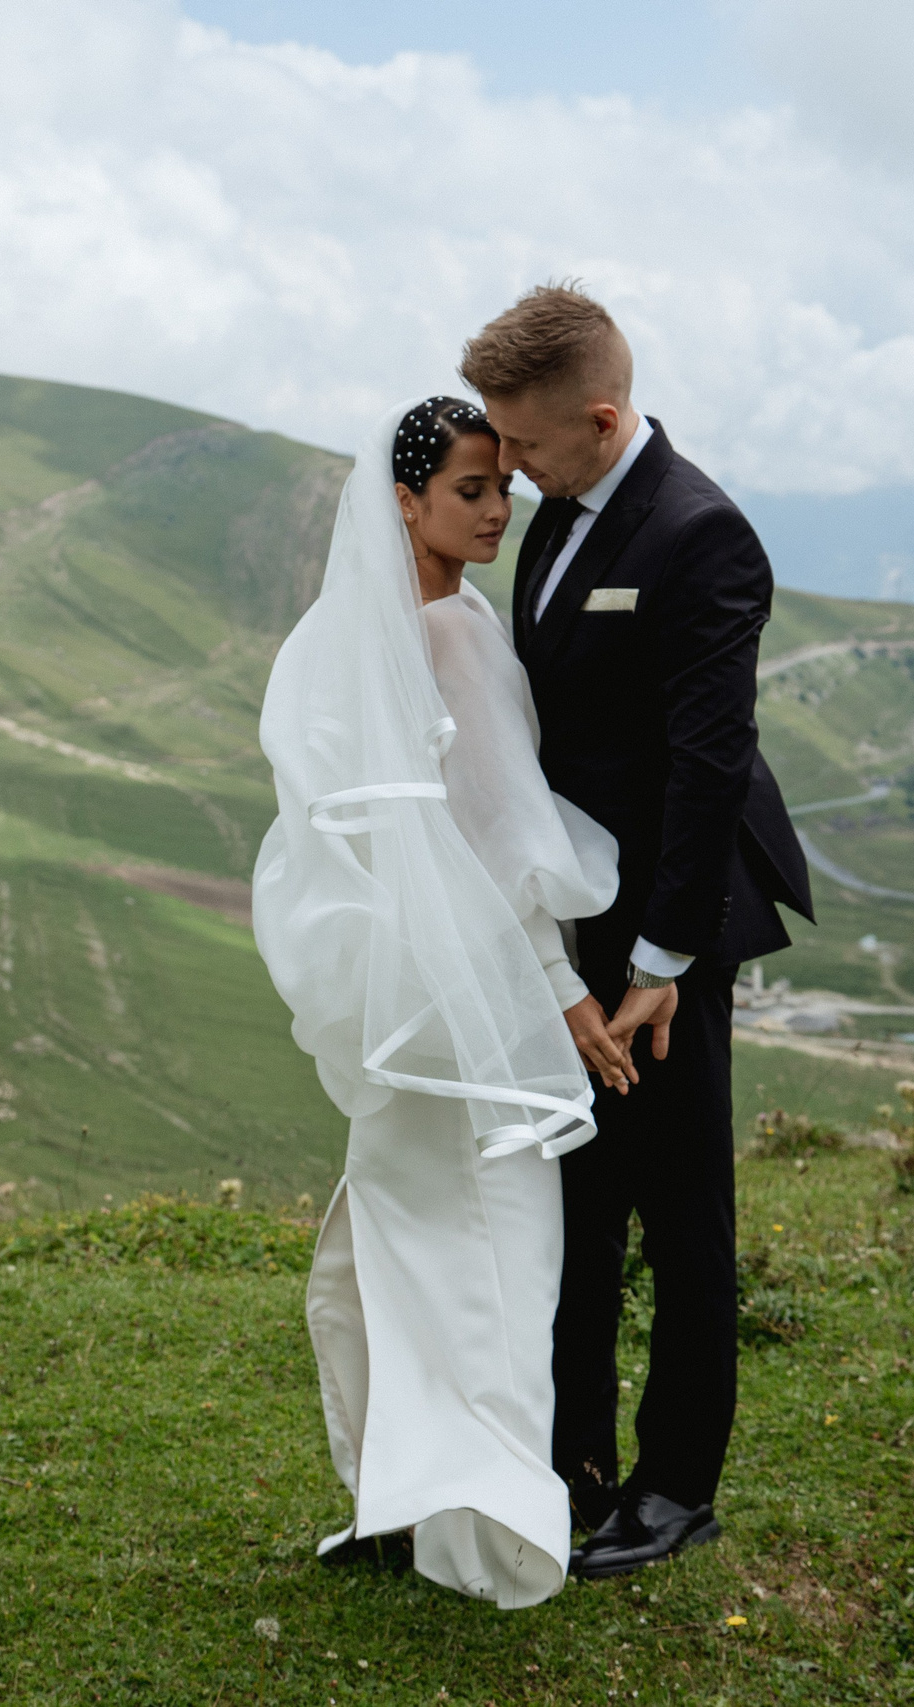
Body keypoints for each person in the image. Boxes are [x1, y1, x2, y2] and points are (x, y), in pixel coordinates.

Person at [461, 284, 813, 1579]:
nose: (510, 473)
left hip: (672, 917)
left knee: (679, 1205)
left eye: (530, 447)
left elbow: (708, 764)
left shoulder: (701, 534)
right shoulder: (559, 515)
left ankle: (678, 1484)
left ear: (602, 418)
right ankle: (572, 1459)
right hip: (572, 904)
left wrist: (661, 965)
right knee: (578, 1192)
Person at [252, 396, 619, 1608]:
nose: (496, 511)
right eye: (470, 490)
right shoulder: (453, 635)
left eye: (501, 488)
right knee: (503, 1257)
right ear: (403, 500)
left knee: (401, 1250)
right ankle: (486, 1524)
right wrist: (561, 987)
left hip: (396, 1003)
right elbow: (504, 839)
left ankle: (400, 1497)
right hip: (474, 1005)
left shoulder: (337, 636)